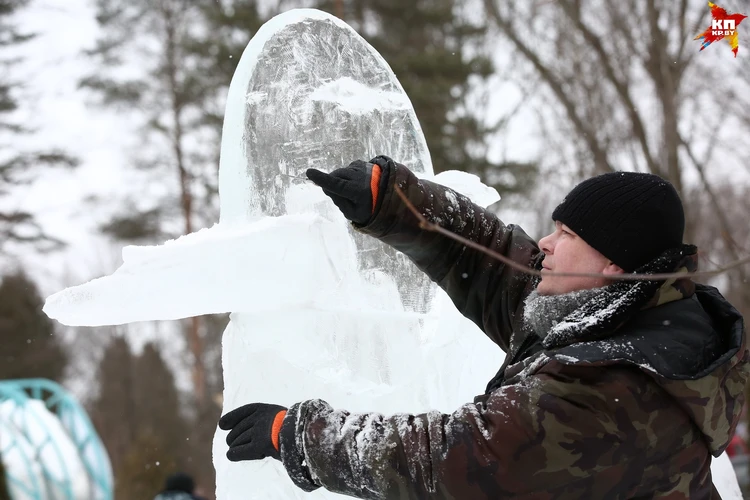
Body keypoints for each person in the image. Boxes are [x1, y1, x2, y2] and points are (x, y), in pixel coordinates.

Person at [219, 156, 749, 498]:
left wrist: (302, 436)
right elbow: (495, 263)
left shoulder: (616, 385)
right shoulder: (618, 317)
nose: (545, 243)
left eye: (565, 234)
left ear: (614, 262)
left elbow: (450, 457)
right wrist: (394, 201)